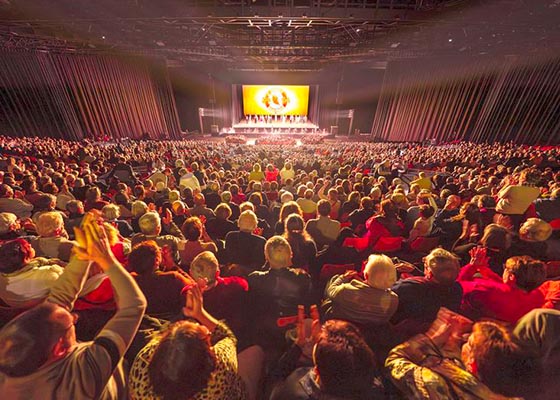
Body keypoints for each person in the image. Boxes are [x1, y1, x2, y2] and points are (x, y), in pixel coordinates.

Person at [0, 212, 147, 399]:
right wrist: (108, 260)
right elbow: (134, 305)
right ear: (59, 348)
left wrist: (84, 254)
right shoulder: (84, 374)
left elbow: (59, 299)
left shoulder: (19, 360)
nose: (74, 316)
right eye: (70, 322)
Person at [128, 282, 249, 400]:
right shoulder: (220, 371)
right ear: (207, 361)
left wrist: (188, 314)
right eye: (205, 334)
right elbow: (228, 337)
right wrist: (200, 314)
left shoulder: (142, 366)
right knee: (253, 348)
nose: (204, 328)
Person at [386, 308, 528, 399]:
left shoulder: (437, 384)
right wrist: (450, 344)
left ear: (473, 365)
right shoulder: (517, 393)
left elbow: (394, 360)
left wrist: (431, 340)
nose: (464, 339)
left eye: (469, 343)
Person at [270, 318, 384, 400]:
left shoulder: (294, 389)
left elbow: (276, 379)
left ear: (316, 371)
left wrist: (297, 347)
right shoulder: (376, 391)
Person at [247, 236, 311, 351]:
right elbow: (309, 306)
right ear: (290, 255)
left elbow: (250, 311)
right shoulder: (303, 277)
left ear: (266, 256)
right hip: (296, 334)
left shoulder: (254, 279)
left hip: (265, 337)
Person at [391, 248, 462, 333]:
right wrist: (415, 271)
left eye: (425, 265)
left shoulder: (407, 288)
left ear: (430, 273)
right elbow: (436, 284)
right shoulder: (456, 290)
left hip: (398, 332)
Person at [323, 254, 398, 325]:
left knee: (334, 278)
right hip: (368, 330)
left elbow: (331, 290)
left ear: (366, 275)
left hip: (341, 323)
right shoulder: (394, 300)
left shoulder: (346, 290)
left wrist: (343, 277)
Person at [130, 241, 193, 320]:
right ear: (157, 260)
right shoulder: (173, 278)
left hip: (141, 323)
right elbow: (194, 289)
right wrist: (172, 266)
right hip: (172, 324)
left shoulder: (130, 281)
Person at [0, 238, 64, 308]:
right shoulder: (49, 273)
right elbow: (70, 284)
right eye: (28, 246)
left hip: (15, 308)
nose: (30, 245)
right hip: (47, 309)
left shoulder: (3, 276)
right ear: (25, 258)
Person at [223, 210, 266, 275]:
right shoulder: (261, 241)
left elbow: (227, 257)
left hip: (231, 273)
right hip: (252, 277)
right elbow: (260, 264)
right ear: (255, 225)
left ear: (239, 223)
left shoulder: (230, 236)